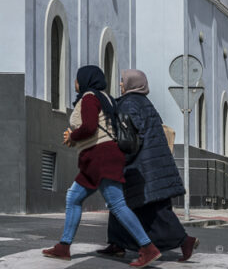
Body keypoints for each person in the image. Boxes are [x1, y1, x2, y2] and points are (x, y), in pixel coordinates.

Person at [42, 65, 161, 267]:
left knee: (116, 204)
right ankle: (63, 247)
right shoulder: (105, 97)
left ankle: (148, 248)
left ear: (86, 80)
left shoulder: (89, 97)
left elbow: (88, 127)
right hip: (101, 157)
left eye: (77, 79)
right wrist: (76, 139)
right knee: (74, 197)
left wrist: (73, 135)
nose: (75, 83)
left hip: (100, 157)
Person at [97, 69, 199, 261]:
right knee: (124, 203)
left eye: (122, 81)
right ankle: (117, 243)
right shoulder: (146, 103)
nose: (120, 84)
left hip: (142, 167)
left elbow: (129, 139)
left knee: (155, 212)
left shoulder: (128, 104)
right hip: (154, 164)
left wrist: (118, 158)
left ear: (131, 84)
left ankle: (185, 241)